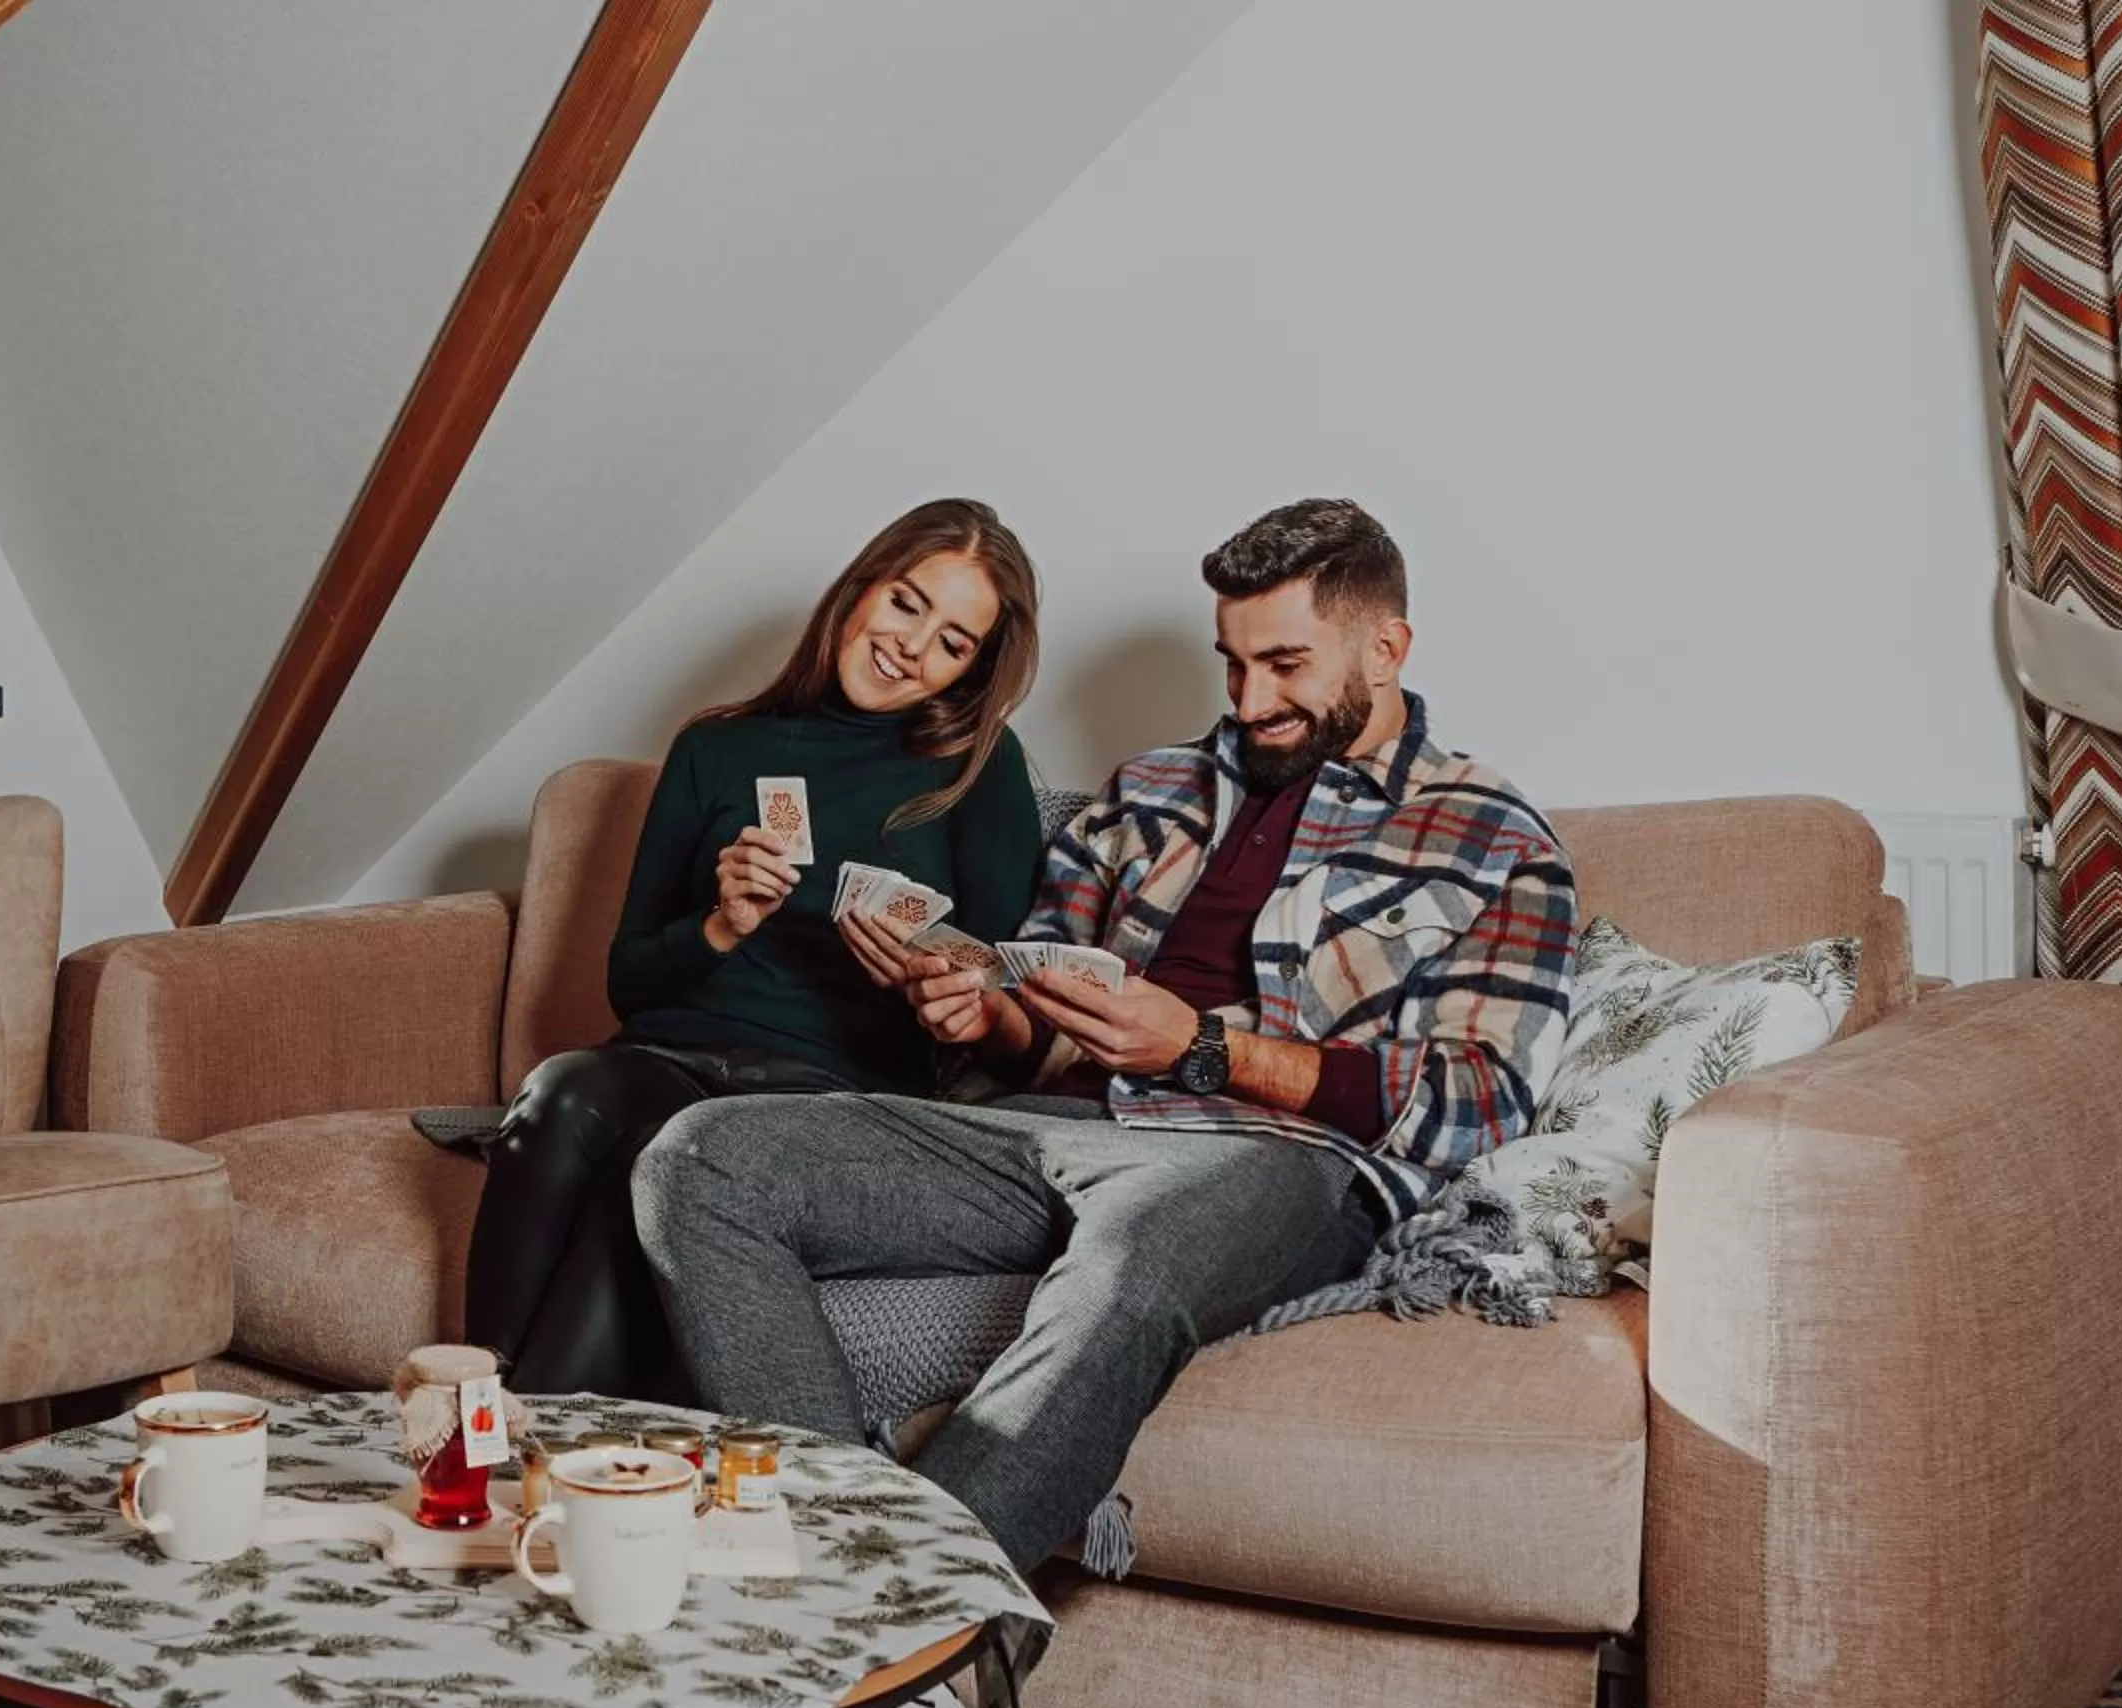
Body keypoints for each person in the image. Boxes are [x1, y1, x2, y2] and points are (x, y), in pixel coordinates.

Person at [632, 498, 1579, 1576]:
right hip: (1054, 1126)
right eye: (1232, 664)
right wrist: (981, 1008)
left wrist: (1204, 1048)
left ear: (1387, 646)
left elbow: (1479, 1100)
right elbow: (1036, 1013)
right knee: (703, 1157)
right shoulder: (1150, 791)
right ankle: (839, 1566)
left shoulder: (1489, 833)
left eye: (1284, 666)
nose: (1249, 700)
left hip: (1271, 1158)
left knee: (1130, 1259)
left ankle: (905, 1625)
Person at [467, 498, 1046, 1400]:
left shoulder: (979, 766)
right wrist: (720, 926)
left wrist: (944, 997)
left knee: (655, 1164)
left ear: (971, 671)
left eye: (954, 641)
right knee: (563, 1089)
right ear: (860, 591)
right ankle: (478, 1399)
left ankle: (512, 1449)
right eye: (906, 603)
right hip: (670, 1055)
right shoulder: (717, 747)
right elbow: (628, 984)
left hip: (825, 1096)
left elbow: (1004, 1006)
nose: (911, 645)